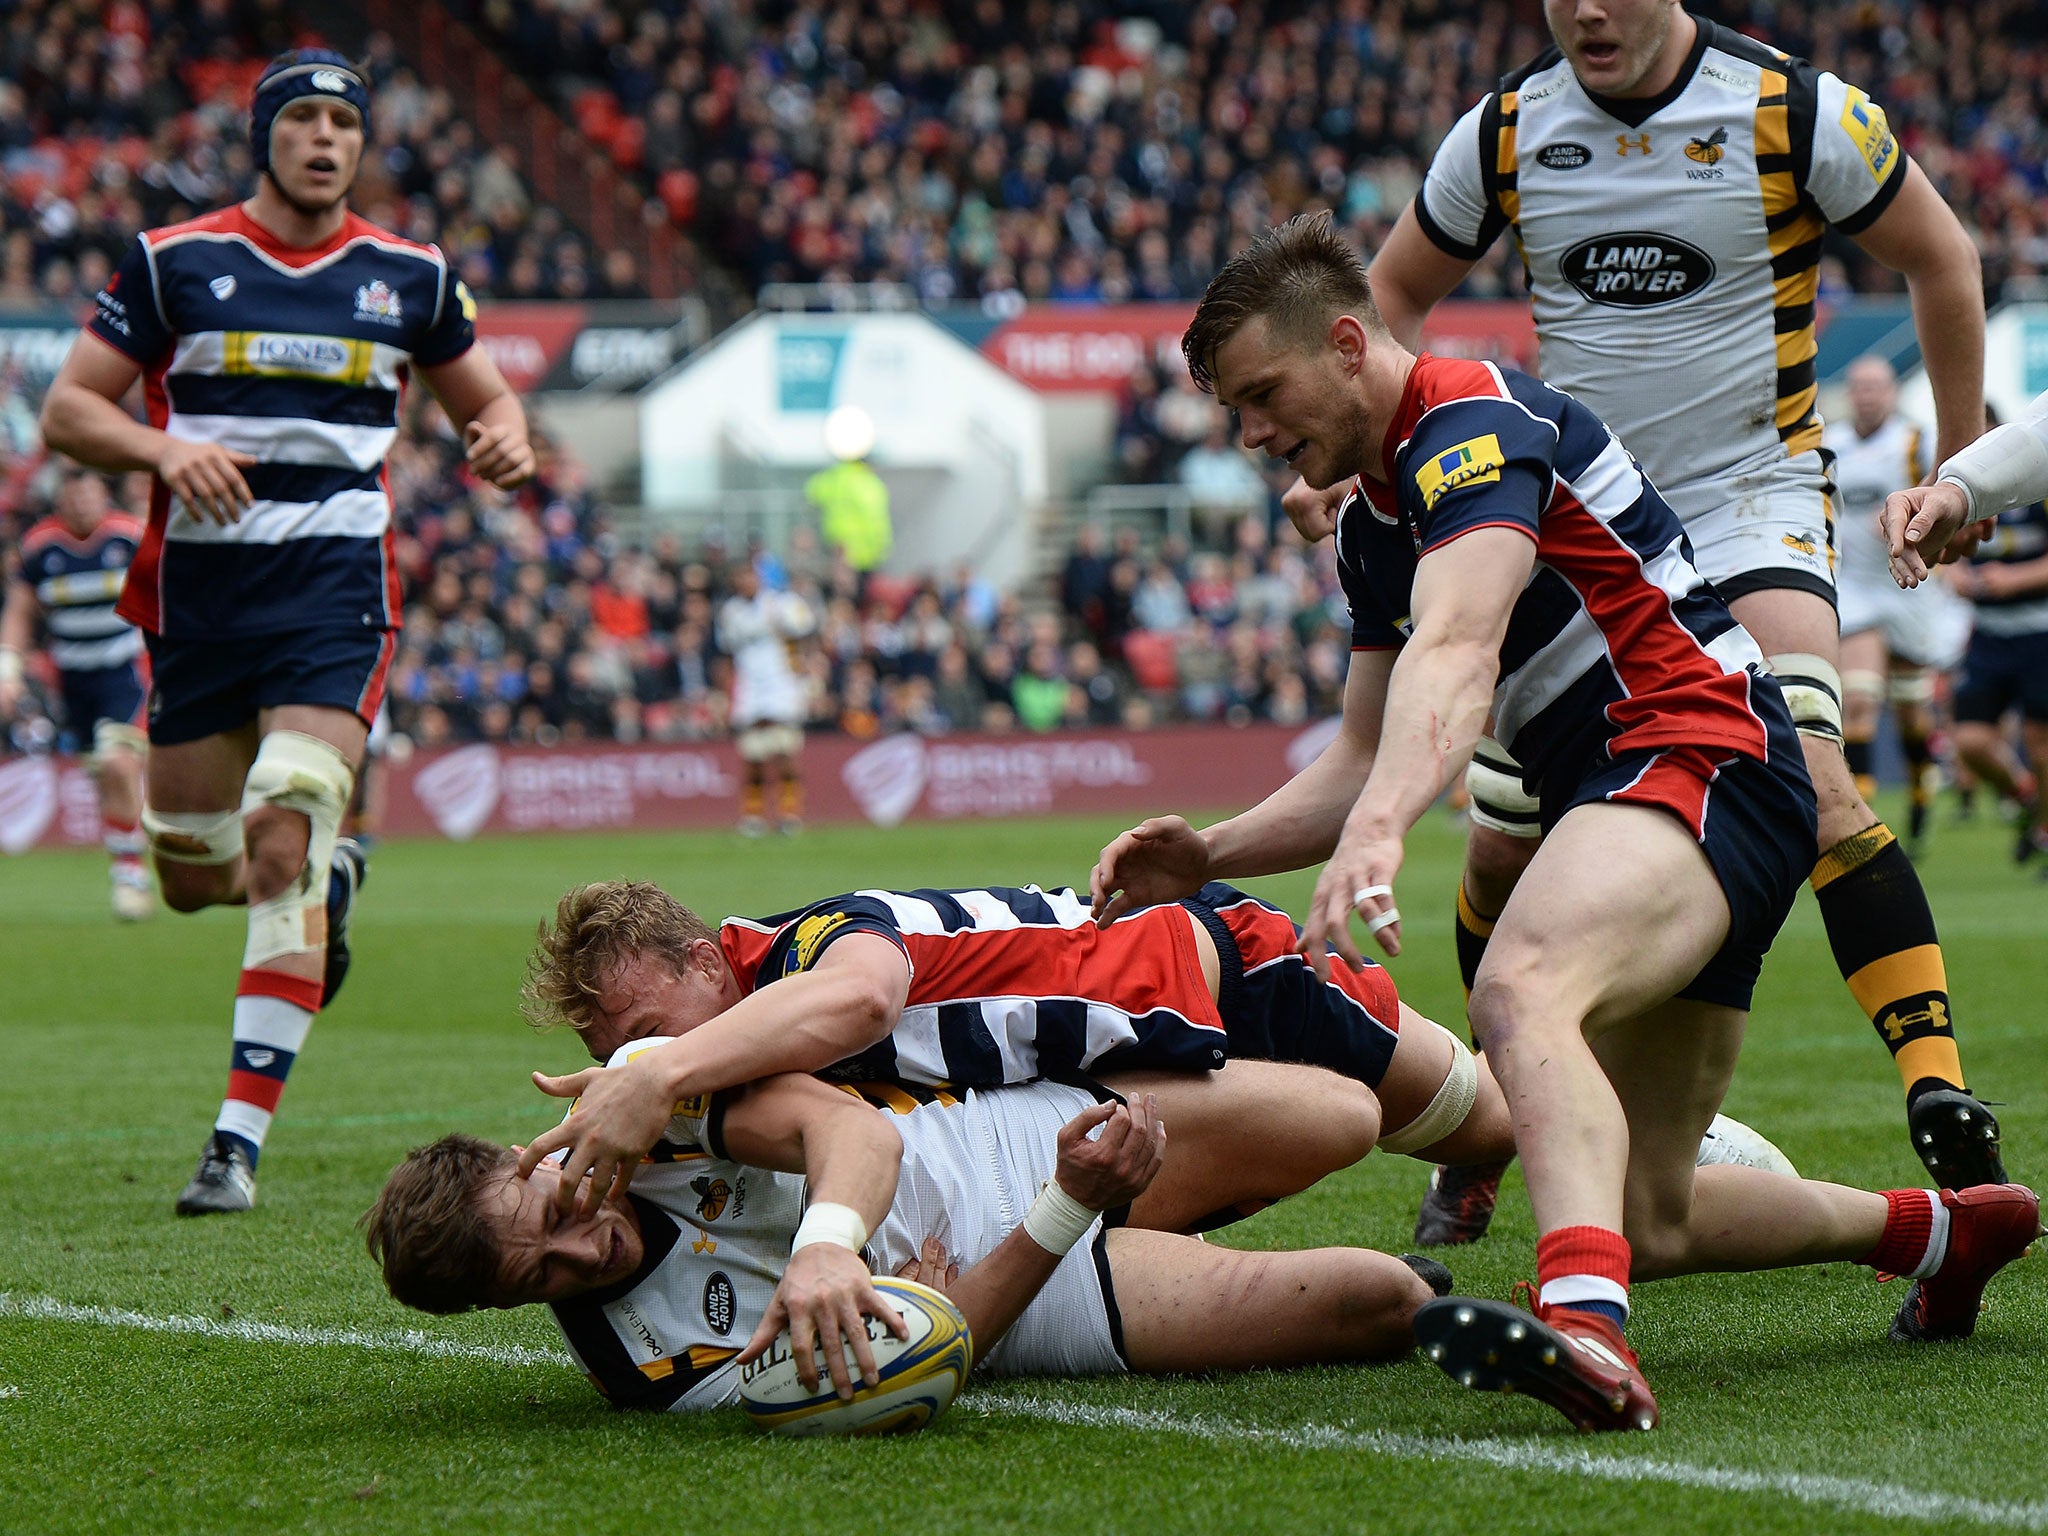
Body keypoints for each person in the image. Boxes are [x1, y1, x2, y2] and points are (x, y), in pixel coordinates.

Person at [1089, 215, 2037, 1432]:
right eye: (1233, 413)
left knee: (1520, 984)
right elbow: (1359, 752)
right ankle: (1950, 1232)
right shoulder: (1374, 523)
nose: (1253, 435)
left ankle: (1582, 1332)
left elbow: (1460, 645)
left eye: (1261, 395)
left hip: (1702, 751)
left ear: (1344, 343)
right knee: (1654, 1214)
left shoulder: (1468, 418)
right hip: (1649, 788)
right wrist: (1209, 853)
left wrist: (1383, 829)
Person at [1285, 0, 2001, 1238]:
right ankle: (1489, 1130)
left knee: (1820, 783)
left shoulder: (1790, 109)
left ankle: (1941, 1102)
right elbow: (1386, 297)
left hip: (1744, 496)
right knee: (1504, 855)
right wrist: (1347, 449)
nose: (1586, 11)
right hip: (1573, 521)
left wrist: (1958, 462)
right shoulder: (1505, 132)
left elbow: (1940, 256)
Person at [37, 50, 533, 1216]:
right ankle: (335, 883)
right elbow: (68, 408)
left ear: (362, 145)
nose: (324, 140)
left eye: (342, 124)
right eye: (301, 119)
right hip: (199, 609)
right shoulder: (173, 263)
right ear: (263, 135)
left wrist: (504, 438)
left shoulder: (408, 275)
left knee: (286, 830)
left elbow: (490, 401)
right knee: (194, 873)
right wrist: (162, 451)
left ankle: (233, 1146)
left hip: (333, 598)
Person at [364, 1062, 1448, 1408]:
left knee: (1345, 1116)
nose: (581, 1256)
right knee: (1382, 1302)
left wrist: (833, 1252)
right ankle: (1154, 1227)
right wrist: (1052, 1220)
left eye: (553, 1219)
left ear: (525, 1161)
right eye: (539, 1284)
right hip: (1015, 1297)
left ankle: (1184, 1210)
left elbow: (845, 1130)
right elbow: (929, 1358)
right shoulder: (648, 1364)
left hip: (978, 1149)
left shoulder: (639, 1111)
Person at [510, 875, 1513, 1220]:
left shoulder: (808, 948)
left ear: (700, 960)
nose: (650, 1061)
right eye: (625, 1054)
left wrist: (668, 1072)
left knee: (1503, 1118)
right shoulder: (746, 1034)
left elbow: (862, 1003)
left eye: (647, 1032)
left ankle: (1595, 1107)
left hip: (1222, 966)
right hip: (1135, 1064)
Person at [1825, 357, 1969, 855]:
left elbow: (1944, 490)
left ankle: (1919, 802)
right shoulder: (1831, 443)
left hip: (1909, 584)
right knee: (1859, 699)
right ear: (1850, 393)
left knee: (1912, 710)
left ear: (1892, 393)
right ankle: (1859, 827)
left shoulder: (1915, 440)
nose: (1867, 396)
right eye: (1859, 387)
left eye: (1876, 387)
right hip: (1858, 585)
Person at [0, 464, 153, 919]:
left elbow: (168, 590)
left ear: (102, 495)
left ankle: (131, 874)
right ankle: (128, 852)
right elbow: (21, 611)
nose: (82, 503)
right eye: (73, 496)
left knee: (118, 762)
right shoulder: (41, 547)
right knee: (103, 773)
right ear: (61, 499)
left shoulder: (128, 536)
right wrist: (9, 666)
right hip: (73, 679)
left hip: (126, 670)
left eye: (89, 494)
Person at [1932, 404, 2048, 868]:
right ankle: (2024, 798)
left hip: (2040, 631)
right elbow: (1944, 550)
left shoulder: (2034, 487)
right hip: (1987, 634)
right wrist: (1952, 576)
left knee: (2041, 744)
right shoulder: (1957, 487)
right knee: (1971, 740)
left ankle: (2043, 832)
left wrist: (2016, 580)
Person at [715, 560, 813, 836]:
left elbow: (804, 628)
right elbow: (727, 653)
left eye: (749, 576)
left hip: (781, 683)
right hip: (750, 687)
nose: (745, 582)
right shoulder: (731, 612)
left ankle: (790, 813)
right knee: (753, 752)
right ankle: (753, 815)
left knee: (785, 749)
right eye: (740, 577)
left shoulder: (780, 604)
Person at [805, 406, 892, 593]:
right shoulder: (871, 484)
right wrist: (880, 550)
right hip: (863, 557)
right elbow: (876, 522)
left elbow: (811, 493)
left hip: (835, 550)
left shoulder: (832, 477)